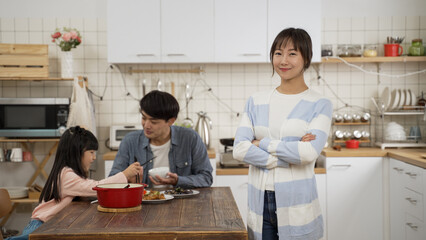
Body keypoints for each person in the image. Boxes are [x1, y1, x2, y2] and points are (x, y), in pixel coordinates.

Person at [233, 28, 332, 240]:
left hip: (298, 202)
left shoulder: (320, 104)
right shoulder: (256, 101)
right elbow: (240, 149)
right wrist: (290, 155)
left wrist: (261, 143)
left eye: (292, 53)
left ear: (306, 58)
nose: (283, 60)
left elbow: (307, 154)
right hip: (261, 200)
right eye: (278, 53)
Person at [6, 126, 142, 240]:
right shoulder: (66, 175)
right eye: (91, 152)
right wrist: (124, 174)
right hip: (41, 228)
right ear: (77, 152)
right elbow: (95, 187)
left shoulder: (69, 173)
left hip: (52, 227)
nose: (94, 157)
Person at [109, 90, 213, 188]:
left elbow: (206, 178)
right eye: (144, 118)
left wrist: (178, 181)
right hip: (143, 203)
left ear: (171, 121)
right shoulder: (130, 141)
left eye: (153, 122)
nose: (146, 126)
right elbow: (112, 180)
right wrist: (128, 180)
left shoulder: (190, 138)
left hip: (182, 203)